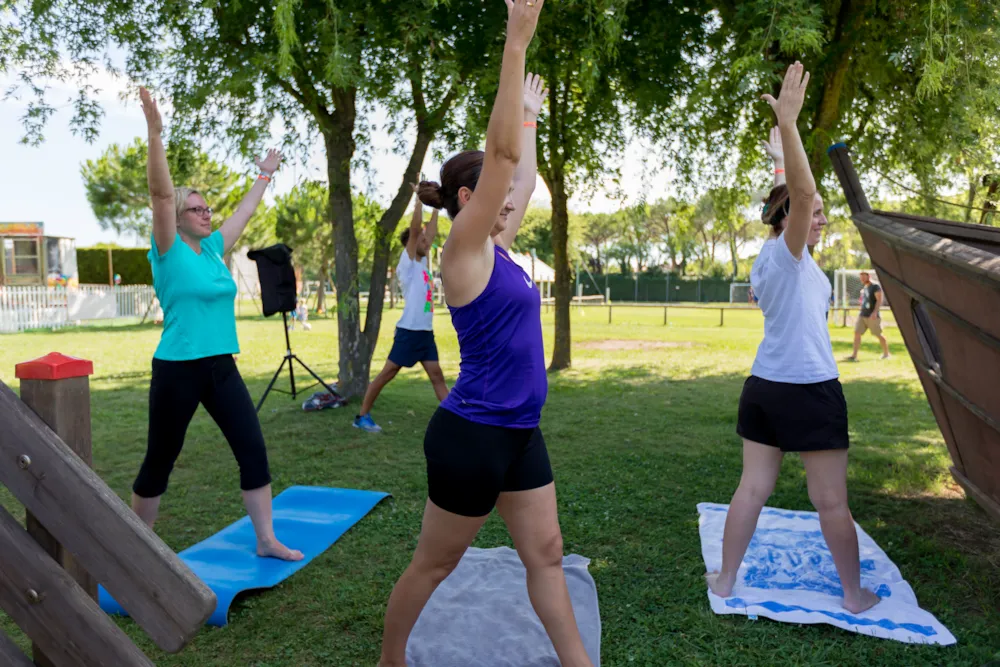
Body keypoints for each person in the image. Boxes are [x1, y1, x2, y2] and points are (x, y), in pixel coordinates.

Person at [378, 2, 593, 665]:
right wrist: (516, 44)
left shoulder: (497, 245)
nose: (511, 200)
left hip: (519, 432)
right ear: (465, 198)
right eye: (494, 192)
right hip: (470, 438)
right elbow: (503, 159)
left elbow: (518, 170)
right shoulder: (463, 252)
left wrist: (529, 115)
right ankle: (389, 660)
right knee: (434, 565)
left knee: (547, 553)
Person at [705, 63, 879, 615]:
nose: (822, 218)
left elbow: (789, 194)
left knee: (752, 489)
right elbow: (800, 196)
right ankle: (853, 596)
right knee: (830, 501)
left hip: (765, 387)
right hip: (808, 389)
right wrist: (790, 121)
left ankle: (725, 580)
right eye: (817, 213)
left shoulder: (775, 260)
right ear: (790, 222)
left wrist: (779, 148)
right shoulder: (790, 252)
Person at [131, 87, 303, 562]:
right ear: (179, 218)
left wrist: (264, 176)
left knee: (253, 449)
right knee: (159, 461)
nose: (208, 215)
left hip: (221, 366)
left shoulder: (211, 249)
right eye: (198, 209)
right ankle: (138, 548)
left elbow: (245, 212)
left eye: (209, 210)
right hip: (178, 369)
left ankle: (266, 540)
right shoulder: (166, 249)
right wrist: (155, 132)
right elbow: (161, 194)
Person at [354, 192, 446, 433]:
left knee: (437, 376)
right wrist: (417, 201)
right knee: (387, 375)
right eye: (423, 241)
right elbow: (416, 231)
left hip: (425, 333)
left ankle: (457, 420)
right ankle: (362, 416)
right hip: (409, 332)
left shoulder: (424, 263)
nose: (428, 243)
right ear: (413, 244)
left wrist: (437, 206)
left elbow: (429, 232)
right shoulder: (408, 265)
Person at [846, 271, 890, 361]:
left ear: (868, 276)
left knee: (878, 334)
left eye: (863, 276)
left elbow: (879, 300)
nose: (861, 278)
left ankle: (886, 354)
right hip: (863, 314)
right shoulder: (865, 287)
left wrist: (874, 312)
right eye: (860, 277)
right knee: (857, 333)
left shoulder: (875, 286)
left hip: (872, 316)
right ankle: (854, 356)